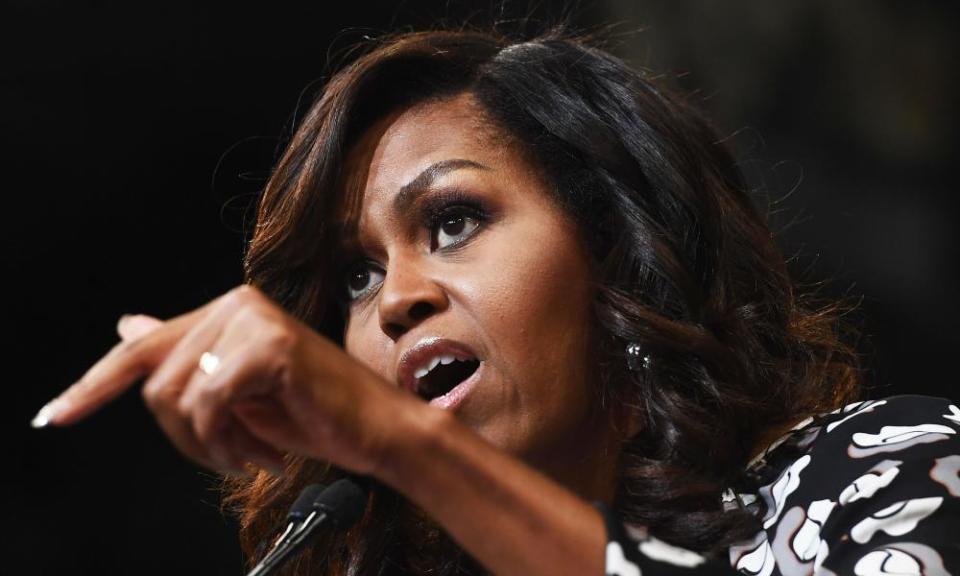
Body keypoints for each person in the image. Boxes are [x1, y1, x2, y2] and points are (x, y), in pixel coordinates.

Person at [31, 29, 959, 575]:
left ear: (619, 255)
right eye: (353, 277)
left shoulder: (886, 471)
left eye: (453, 220)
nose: (395, 299)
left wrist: (406, 442)